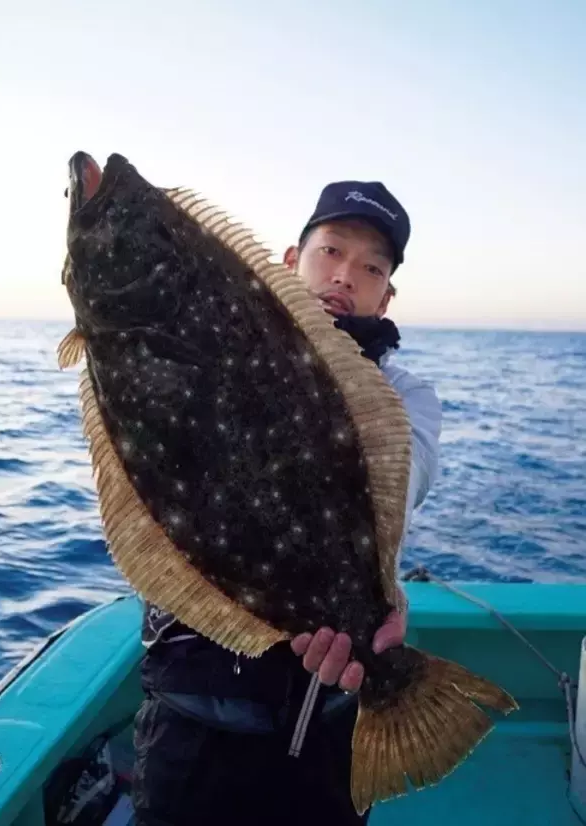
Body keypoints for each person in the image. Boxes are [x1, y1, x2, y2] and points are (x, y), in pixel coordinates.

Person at [132, 180, 442, 826]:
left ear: (387, 294)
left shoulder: (406, 395)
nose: (344, 276)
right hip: (194, 712)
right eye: (329, 251)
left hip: (327, 710)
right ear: (288, 259)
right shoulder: (207, 345)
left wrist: (380, 583)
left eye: (371, 267)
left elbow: (400, 486)